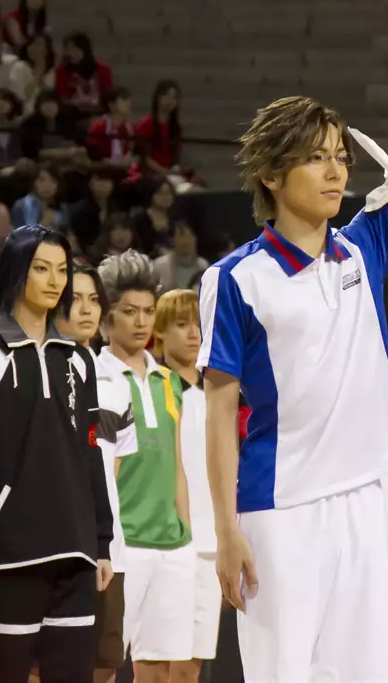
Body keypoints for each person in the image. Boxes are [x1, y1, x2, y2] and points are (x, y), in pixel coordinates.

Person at [197, 0, 388, 681]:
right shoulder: (236, 278)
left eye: (341, 155)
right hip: (277, 509)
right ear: (273, 175)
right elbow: (220, 413)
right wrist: (225, 531)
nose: (337, 167)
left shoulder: (362, 248)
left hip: (362, 496)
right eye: (318, 156)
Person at [0, 225, 112, 683]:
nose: (55, 280)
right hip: (7, 555)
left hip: (77, 555)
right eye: (41, 268)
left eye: (62, 270)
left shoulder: (79, 360)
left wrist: (101, 542)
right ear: (17, 271)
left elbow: (90, 451)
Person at [95, 251, 194, 683]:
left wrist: (185, 529)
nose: (140, 322)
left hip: (171, 544)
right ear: (106, 317)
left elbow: (176, 462)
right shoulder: (94, 376)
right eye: (129, 312)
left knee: (158, 666)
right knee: (103, 664)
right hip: (121, 545)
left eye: (148, 312)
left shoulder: (169, 380)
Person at [54, 262, 137, 682]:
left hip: (107, 548)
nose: (85, 310)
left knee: (103, 666)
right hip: (49, 544)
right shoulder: (35, 371)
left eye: (93, 300)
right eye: (74, 301)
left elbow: (115, 468)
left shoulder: (117, 383)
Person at [155, 288, 221, 672]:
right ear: (160, 332)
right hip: (165, 541)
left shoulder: (217, 394)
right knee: (157, 663)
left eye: (198, 324)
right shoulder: (149, 389)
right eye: (182, 325)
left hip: (210, 542)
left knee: (191, 665)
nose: (194, 333)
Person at [152, 220, 209, 293]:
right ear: (172, 239)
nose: (186, 241)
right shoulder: (159, 266)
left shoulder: (203, 267)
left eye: (190, 235)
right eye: (181, 235)